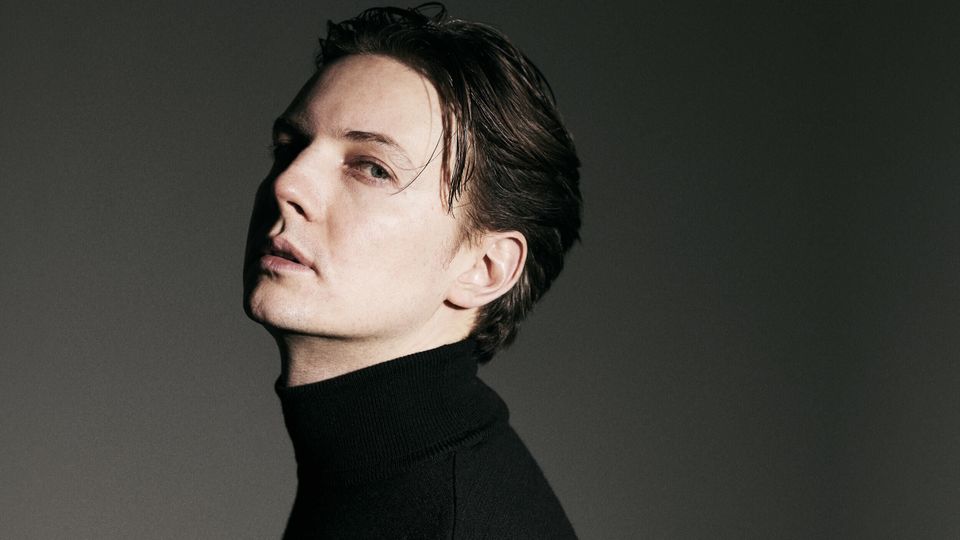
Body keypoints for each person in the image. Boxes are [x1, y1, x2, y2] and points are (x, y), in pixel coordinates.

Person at [242, 3, 582, 538]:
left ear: (485, 268)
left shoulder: (454, 519)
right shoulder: (384, 482)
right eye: (289, 148)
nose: (288, 184)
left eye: (372, 168)